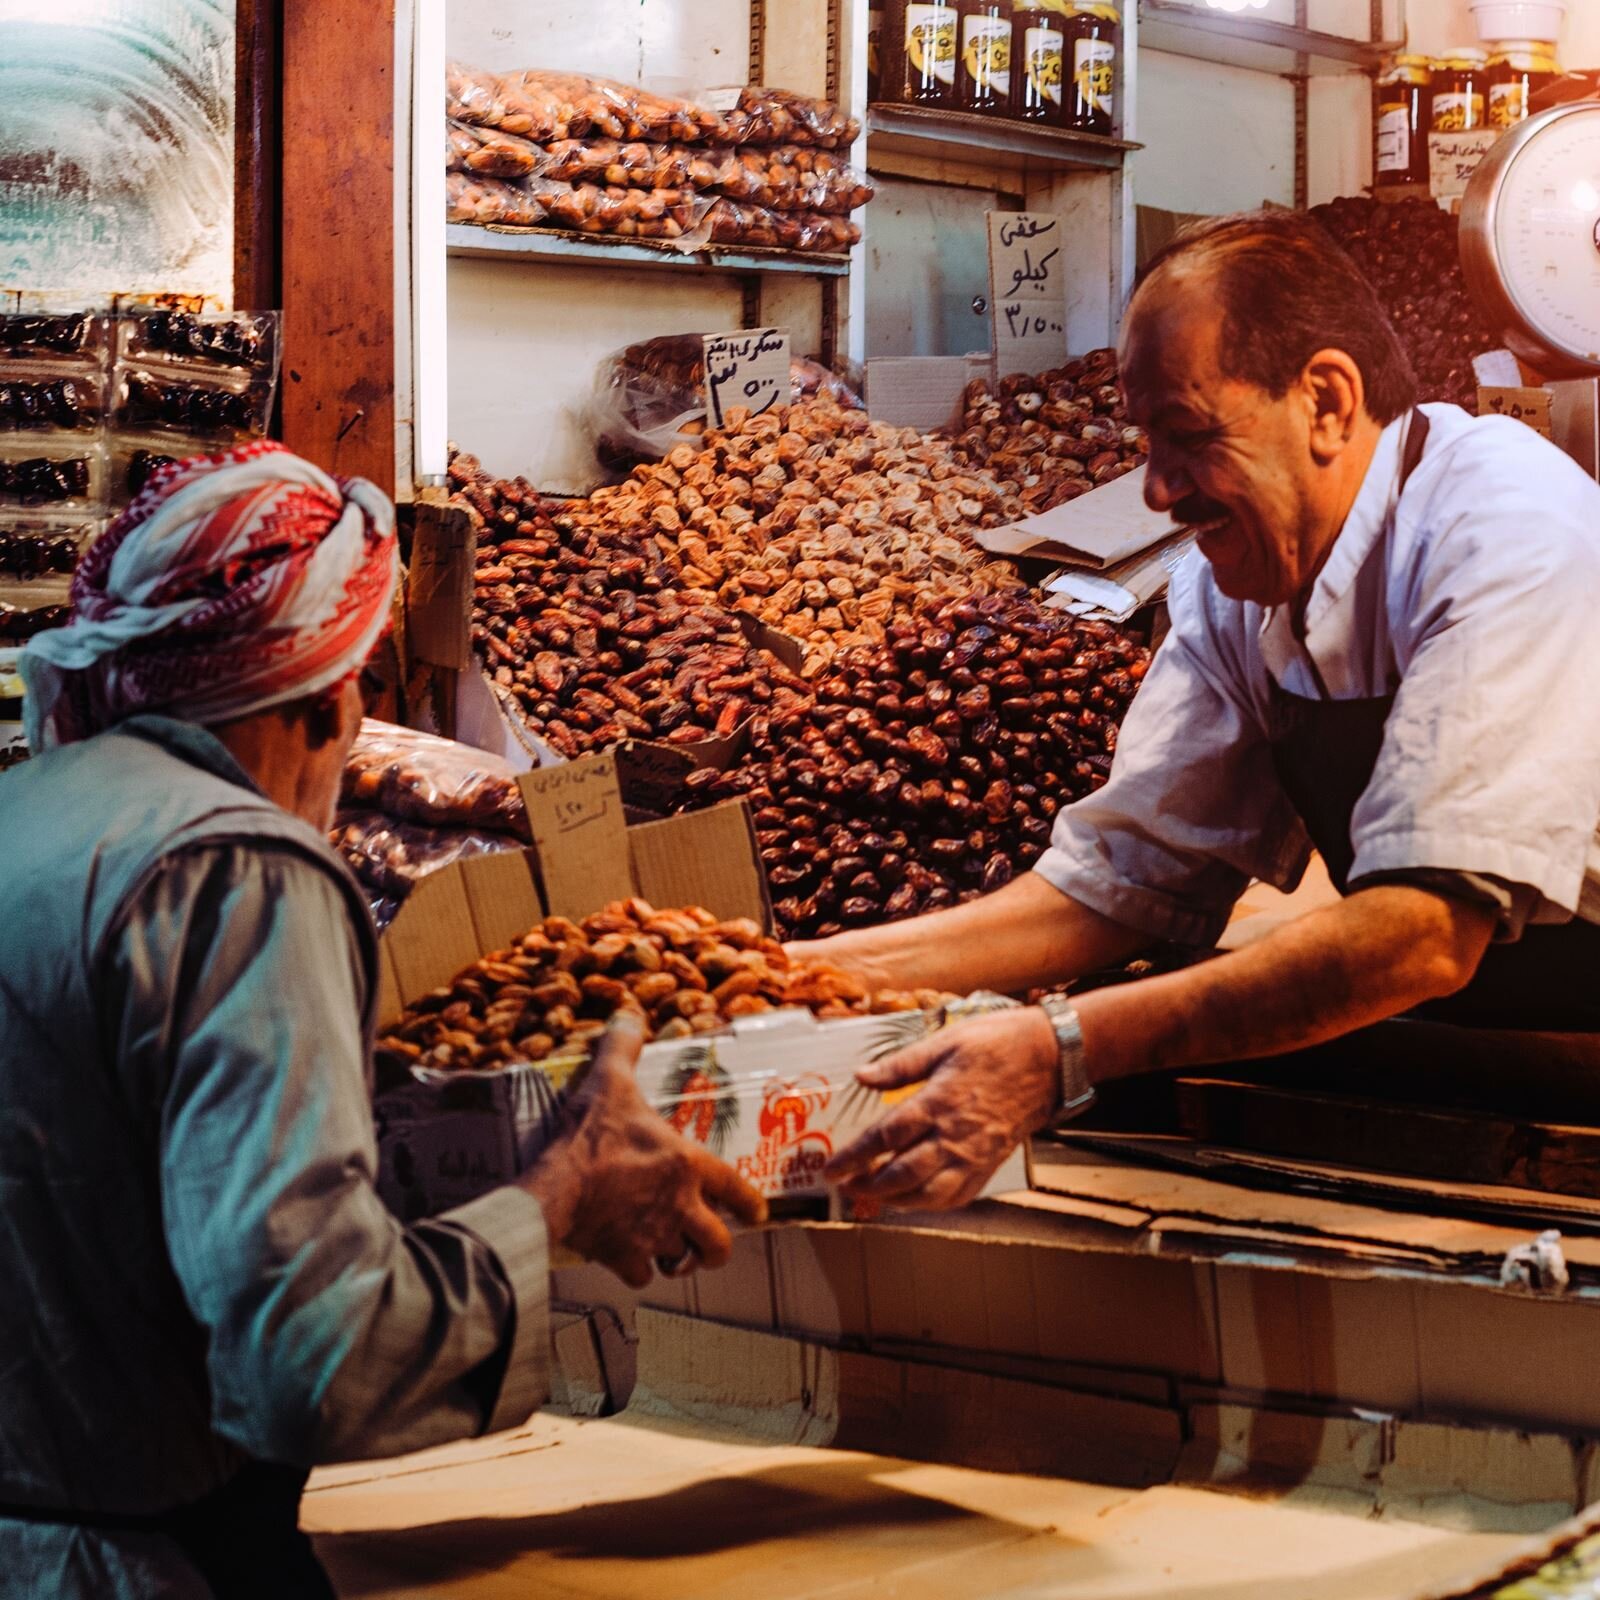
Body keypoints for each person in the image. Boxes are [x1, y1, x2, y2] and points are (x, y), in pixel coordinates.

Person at [0, 442, 764, 1599]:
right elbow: (309, 1359)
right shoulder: (241, 872)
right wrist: (555, 1199)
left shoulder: (26, 813)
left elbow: (95, 1178)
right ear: (321, 698)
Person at [806, 209, 1600, 1212]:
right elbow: (1116, 885)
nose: (1154, 490)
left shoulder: (1501, 527)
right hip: (1462, 1041)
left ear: (1323, 399)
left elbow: (1418, 934)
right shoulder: (1237, 584)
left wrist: (1059, 1050)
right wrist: (795, 976)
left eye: (1186, 437)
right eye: (1147, 442)